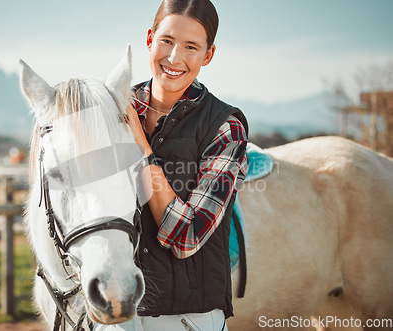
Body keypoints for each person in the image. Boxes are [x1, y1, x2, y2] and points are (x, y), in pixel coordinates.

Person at [97, 0, 249, 330]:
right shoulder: (111, 111)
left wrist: (141, 145)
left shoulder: (225, 127)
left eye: (191, 46)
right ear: (149, 38)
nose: (175, 57)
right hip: (116, 316)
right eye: (167, 40)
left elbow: (186, 237)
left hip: (188, 319)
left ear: (207, 55)